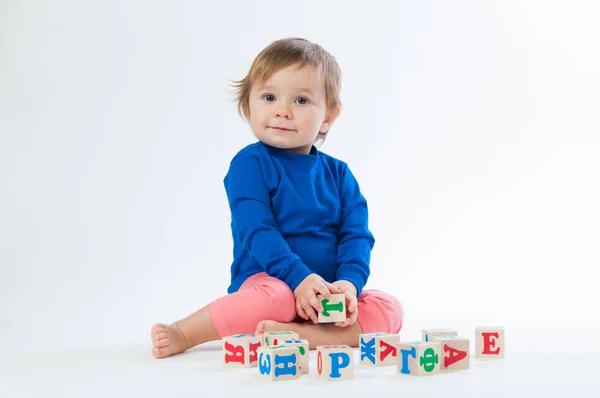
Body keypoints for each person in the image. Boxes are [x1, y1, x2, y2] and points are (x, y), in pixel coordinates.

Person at [151, 37, 404, 359]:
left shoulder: (340, 174)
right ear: (248, 106)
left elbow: (356, 235)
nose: (282, 111)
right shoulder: (250, 164)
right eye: (269, 97)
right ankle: (185, 332)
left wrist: (348, 285)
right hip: (270, 284)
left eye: (301, 100)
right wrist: (299, 279)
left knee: (390, 308)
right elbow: (257, 231)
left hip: (326, 296)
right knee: (277, 298)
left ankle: (309, 335)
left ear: (328, 116)